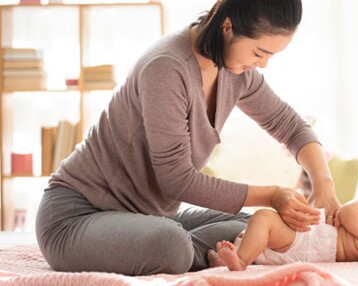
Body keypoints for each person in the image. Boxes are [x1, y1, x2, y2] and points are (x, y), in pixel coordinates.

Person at [35, 0, 340, 276]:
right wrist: (274, 193)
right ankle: (183, 249)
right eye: (259, 52)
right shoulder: (167, 67)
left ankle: (199, 249)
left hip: (146, 216)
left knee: (255, 224)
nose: (262, 65)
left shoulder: (236, 72)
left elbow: (289, 125)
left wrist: (323, 182)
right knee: (172, 246)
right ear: (227, 25)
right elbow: (176, 180)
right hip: (76, 217)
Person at [208, 196, 358, 271]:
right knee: (259, 232)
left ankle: (240, 260)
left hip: (302, 242)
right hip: (301, 248)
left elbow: (347, 212)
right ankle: (228, 259)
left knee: (264, 218)